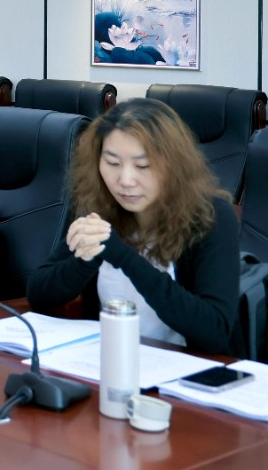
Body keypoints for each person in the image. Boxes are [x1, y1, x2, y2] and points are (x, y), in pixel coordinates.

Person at [26, 98, 240, 355]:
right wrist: (85, 260)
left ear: (174, 166)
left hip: (185, 368)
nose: (125, 180)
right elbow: (38, 295)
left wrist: (125, 258)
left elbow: (215, 332)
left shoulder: (211, 216)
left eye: (143, 166)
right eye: (112, 163)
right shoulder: (103, 205)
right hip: (109, 359)